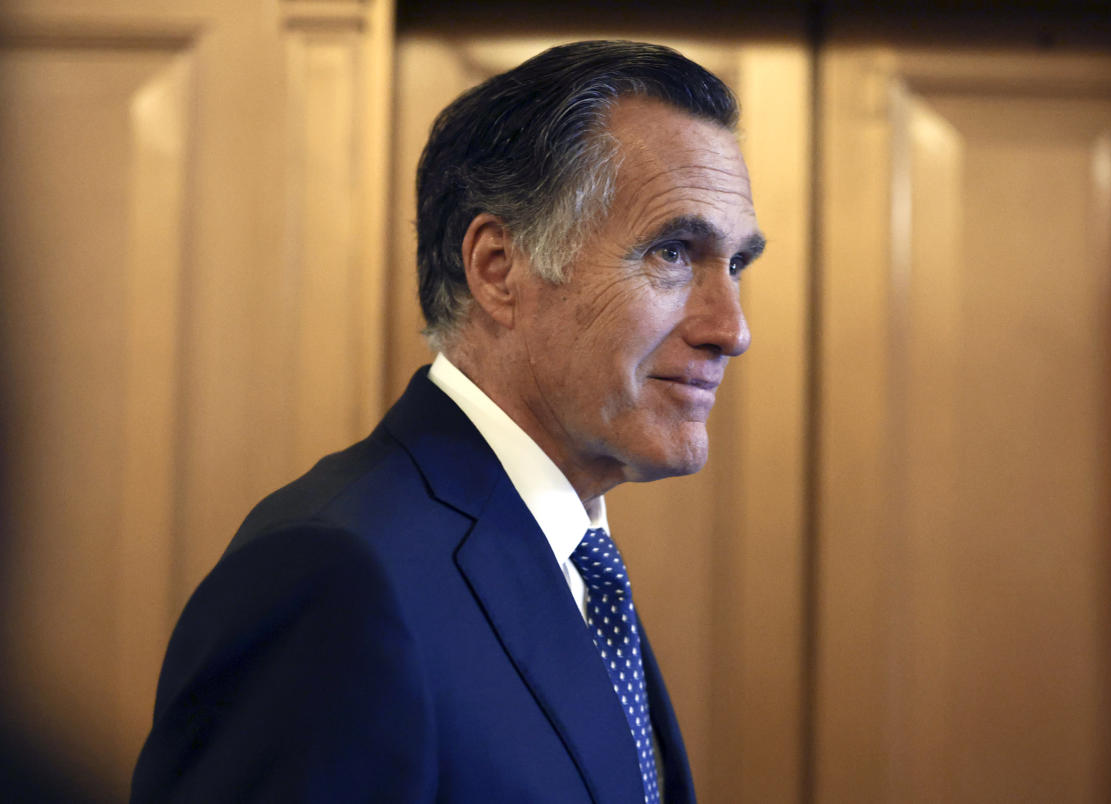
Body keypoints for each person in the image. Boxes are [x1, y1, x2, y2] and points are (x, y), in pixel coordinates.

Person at [131, 39, 764, 803]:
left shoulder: (571, 558)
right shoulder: (334, 577)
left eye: (735, 264)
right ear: (497, 268)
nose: (731, 327)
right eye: (672, 252)